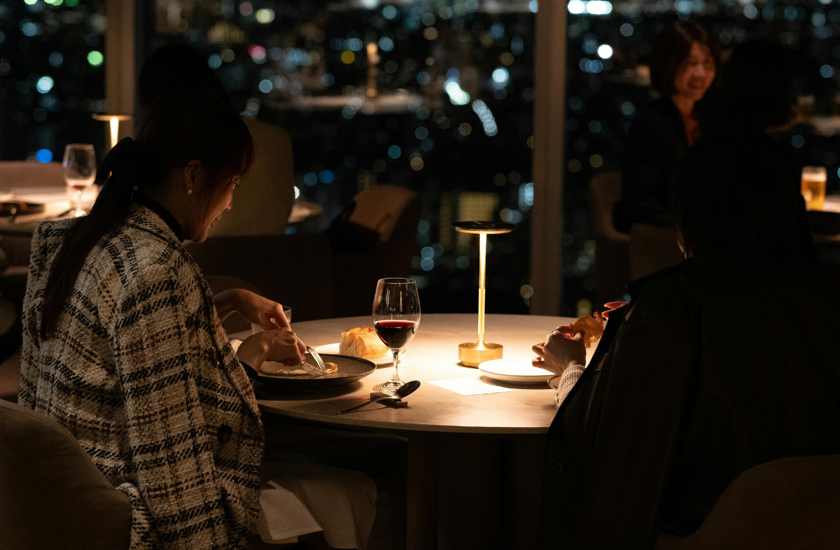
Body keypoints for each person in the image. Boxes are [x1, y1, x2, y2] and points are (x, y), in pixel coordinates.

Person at [17, 91, 345, 549]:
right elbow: (173, 471)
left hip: (50, 508)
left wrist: (223, 301)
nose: (230, 203)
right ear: (193, 176)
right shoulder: (157, 271)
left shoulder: (74, 241)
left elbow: (106, 362)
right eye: (232, 184)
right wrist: (247, 360)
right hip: (123, 523)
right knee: (341, 493)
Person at [534, 131, 840, 549]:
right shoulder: (824, 295)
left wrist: (571, 367)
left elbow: (600, 455)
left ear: (693, 216)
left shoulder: (676, 304)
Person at [138, 43, 295, 237]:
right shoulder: (277, 138)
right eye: (234, 182)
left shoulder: (186, 155)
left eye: (235, 183)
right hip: (276, 263)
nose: (230, 204)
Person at [613, 21, 717, 233]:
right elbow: (642, 206)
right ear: (669, 64)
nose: (700, 74)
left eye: (707, 64)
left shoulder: (710, 118)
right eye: (690, 63)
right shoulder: (650, 124)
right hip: (664, 243)